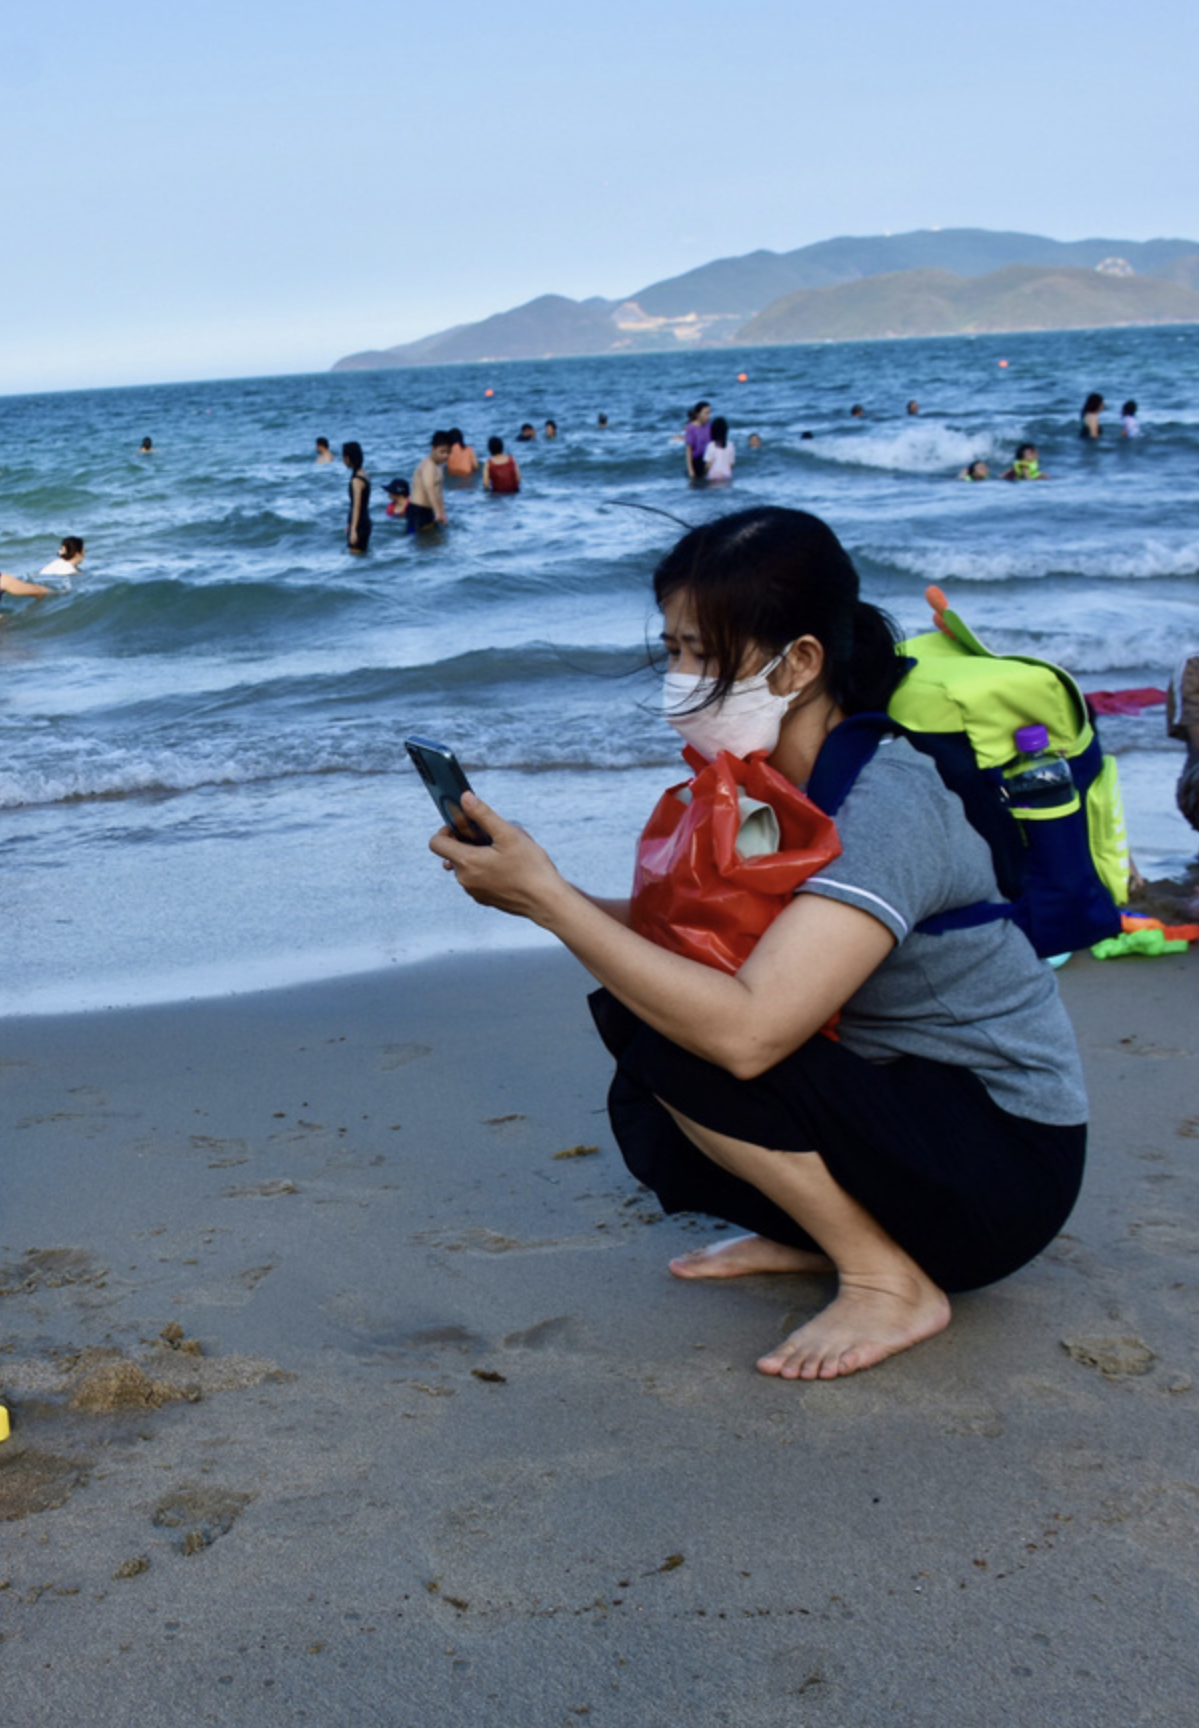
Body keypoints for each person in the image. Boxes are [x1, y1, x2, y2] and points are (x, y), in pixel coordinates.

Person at [427, 506, 1086, 1381]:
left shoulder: (888, 802)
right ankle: (826, 1235)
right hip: (906, 1110)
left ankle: (888, 1279)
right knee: (654, 1007)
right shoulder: (763, 783)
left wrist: (553, 905)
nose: (679, 677)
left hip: (1003, 1162)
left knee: (687, 1040)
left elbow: (749, 1029)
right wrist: (546, 891)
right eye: (672, 650)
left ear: (802, 662)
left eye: (703, 652)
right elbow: (689, 945)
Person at [405, 432, 448, 533]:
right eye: (442, 452)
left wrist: (442, 513)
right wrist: (437, 512)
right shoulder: (428, 465)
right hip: (418, 511)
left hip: (430, 510)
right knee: (420, 542)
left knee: (434, 543)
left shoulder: (439, 467)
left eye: (447, 452)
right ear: (433, 448)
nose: (445, 455)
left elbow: (439, 492)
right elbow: (429, 488)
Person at [343, 442, 371, 554]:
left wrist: (354, 530)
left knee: (356, 556)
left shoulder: (356, 480)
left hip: (360, 524)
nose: (343, 460)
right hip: (364, 521)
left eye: (344, 456)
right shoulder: (363, 474)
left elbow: (356, 505)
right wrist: (349, 524)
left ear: (348, 458)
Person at [682, 403, 713, 479]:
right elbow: (688, 450)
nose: (709, 415)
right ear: (698, 414)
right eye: (706, 413)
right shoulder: (691, 428)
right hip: (696, 462)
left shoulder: (709, 426)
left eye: (709, 413)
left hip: (707, 462)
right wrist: (691, 471)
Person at [700, 416, 735, 485]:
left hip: (713, 476)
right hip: (727, 475)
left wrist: (704, 472)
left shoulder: (711, 445)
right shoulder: (731, 445)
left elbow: (708, 465)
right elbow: (731, 464)